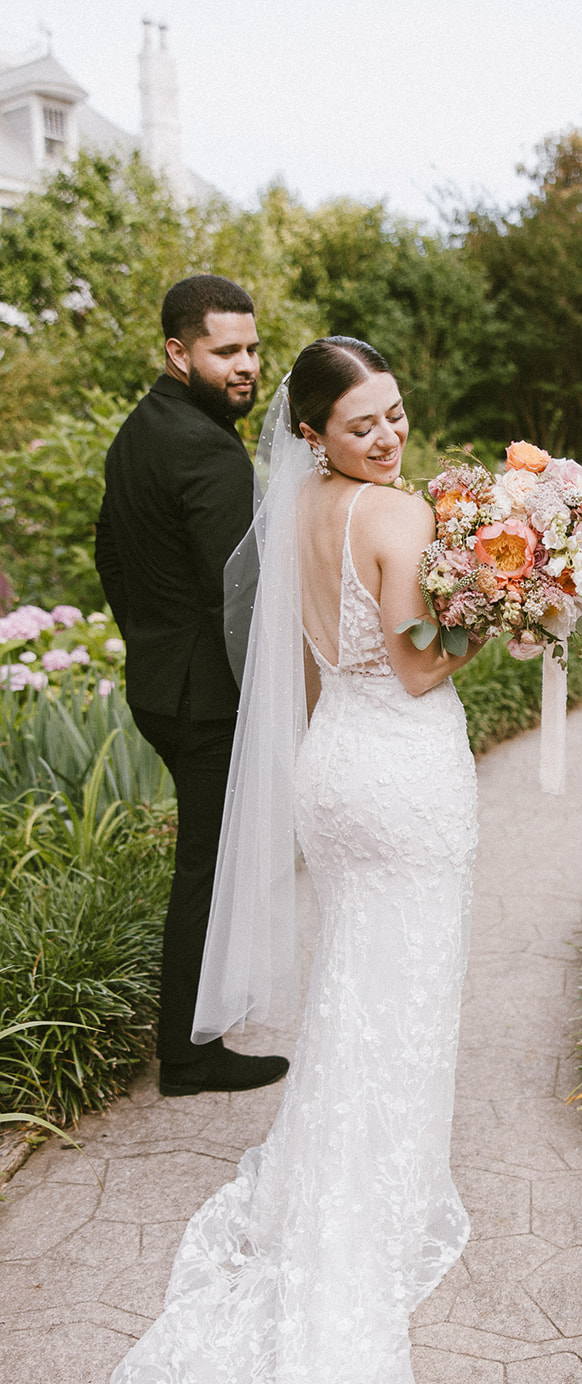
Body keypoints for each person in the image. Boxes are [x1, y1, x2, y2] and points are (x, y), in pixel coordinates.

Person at [91, 337, 481, 1384]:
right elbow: (420, 665)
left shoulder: (297, 503)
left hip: (332, 772)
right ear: (314, 430)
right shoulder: (397, 512)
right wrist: (512, 616)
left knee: (357, 990)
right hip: (403, 775)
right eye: (364, 422)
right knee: (403, 990)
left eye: (397, 414)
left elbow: (328, 659)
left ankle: (344, 1174)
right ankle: (386, 1194)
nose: (389, 435)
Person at [94, 273, 288, 1097]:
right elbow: (238, 596)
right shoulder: (206, 448)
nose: (245, 365)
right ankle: (188, 1054)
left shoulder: (141, 427)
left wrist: (146, 636)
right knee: (208, 868)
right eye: (225, 351)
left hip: (159, 682)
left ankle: (201, 1025)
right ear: (179, 351)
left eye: (250, 348)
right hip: (206, 699)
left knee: (208, 862)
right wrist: (273, 695)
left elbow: (109, 552)